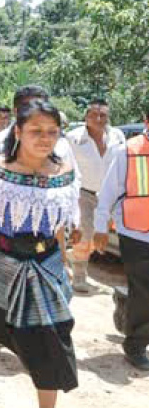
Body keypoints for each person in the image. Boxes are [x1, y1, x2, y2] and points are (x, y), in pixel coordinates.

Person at [0, 100, 80, 408]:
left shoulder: (65, 172)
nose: (45, 138)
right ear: (18, 131)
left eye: (52, 131)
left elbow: (58, 225)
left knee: (50, 340)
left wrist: (64, 262)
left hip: (45, 266)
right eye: (36, 131)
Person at [93, 106, 149, 371]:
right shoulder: (128, 150)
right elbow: (108, 191)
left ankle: (126, 299)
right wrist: (100, 227)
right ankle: (135, 345)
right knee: (146, 290)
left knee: (142, 290)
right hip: (135, 231)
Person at [65, 99, 126, 292]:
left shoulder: (117, 136)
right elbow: (66, 166)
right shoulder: (73, 138)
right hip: (84, 193)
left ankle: (75, 257)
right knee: (85, 233)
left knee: (106, 234)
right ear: (86, 117)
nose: (98, 119)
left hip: (112, 195)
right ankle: (79, 277)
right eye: (94, 115)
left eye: (103, 115)